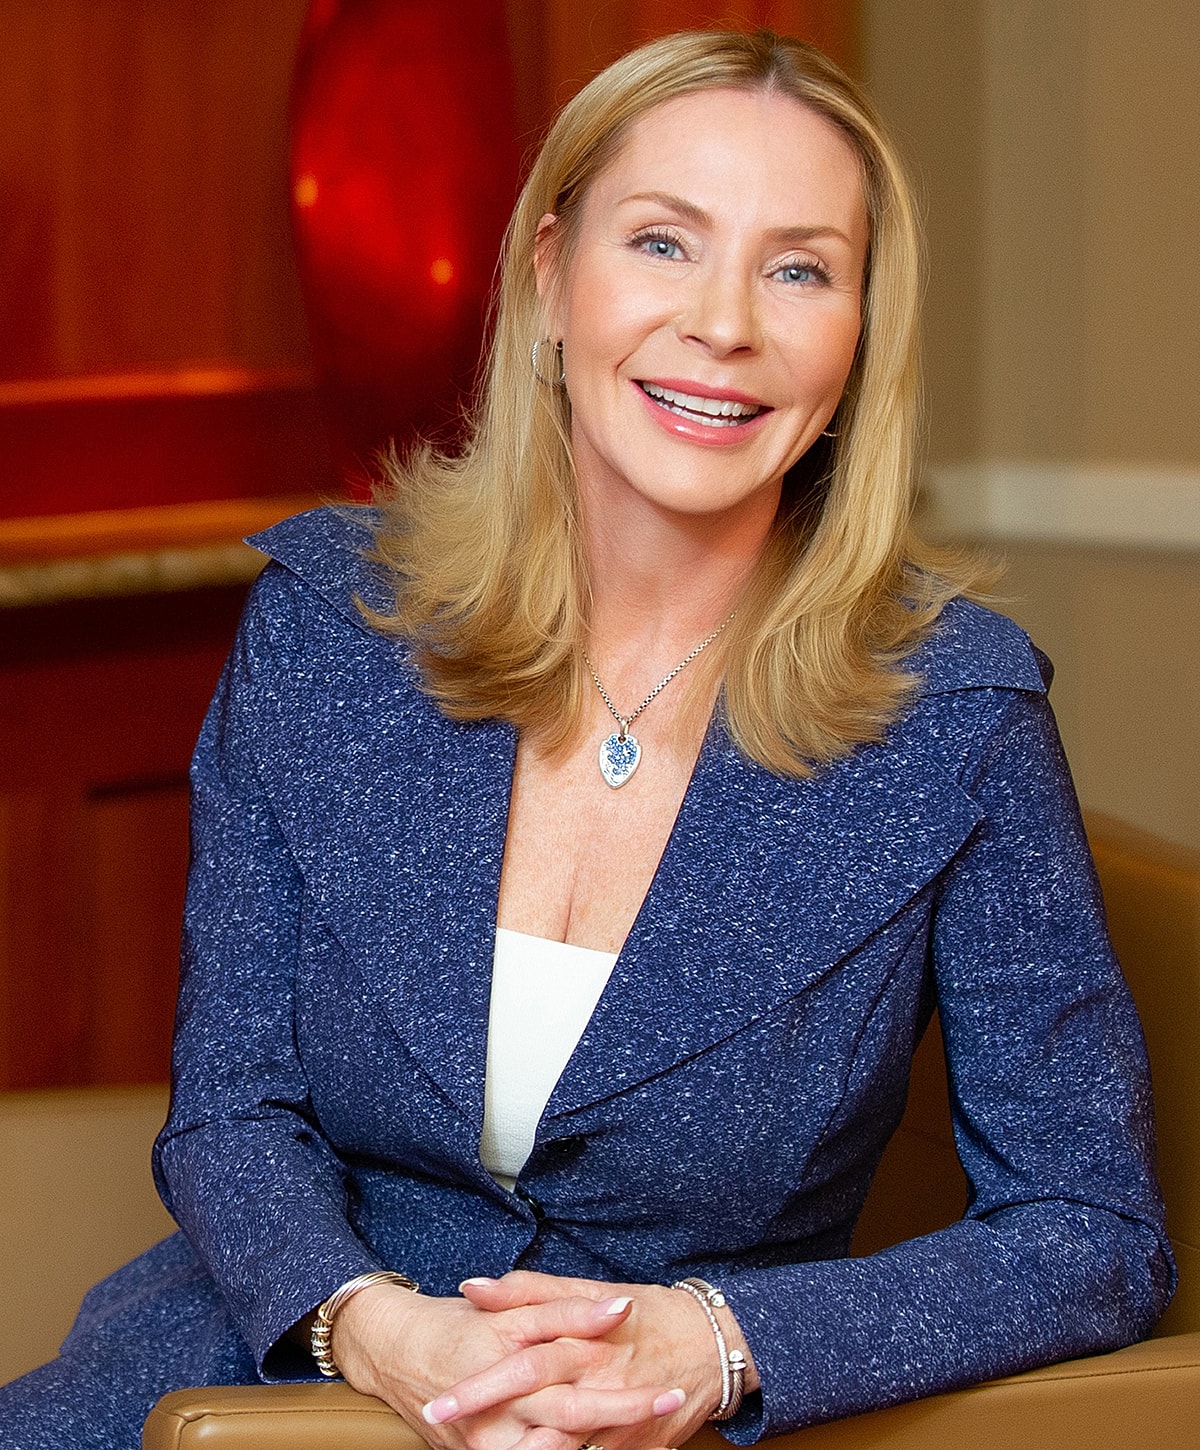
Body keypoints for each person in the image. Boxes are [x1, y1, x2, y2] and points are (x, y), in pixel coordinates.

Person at [0, 27, 1173, 1450]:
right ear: (551, 275)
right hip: (257, 1388)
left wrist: (721, 1340)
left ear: (859, 332)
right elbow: (229, 1111)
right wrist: (380, 1324)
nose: (724, 322)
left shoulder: (960, 716)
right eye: (664, 243)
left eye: (798, 266)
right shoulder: (327, 623)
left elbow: (1090, 1229)